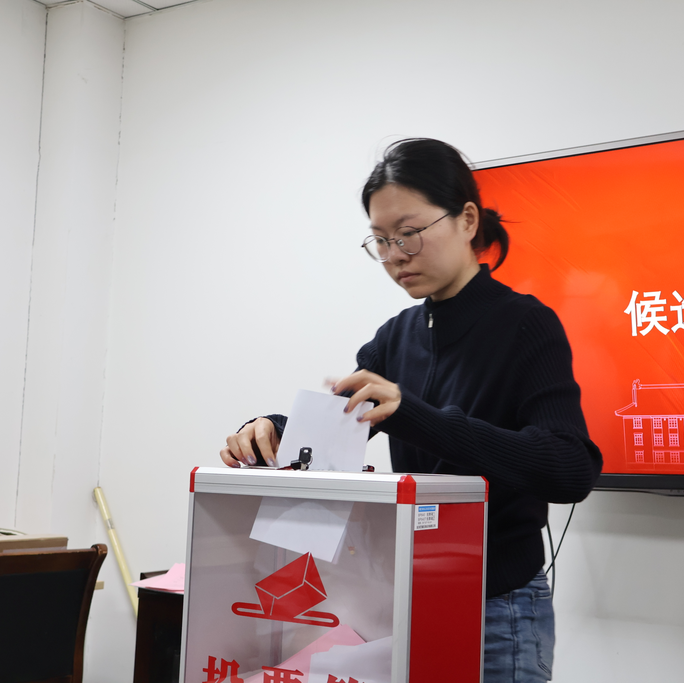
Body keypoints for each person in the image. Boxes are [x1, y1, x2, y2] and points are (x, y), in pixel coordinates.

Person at [221, 138, 603, 682]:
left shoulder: (525, 325)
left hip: (496, 610)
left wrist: (415, 415)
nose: (395, 255)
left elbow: (571, 468)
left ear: (467, 220)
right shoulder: (395, 337)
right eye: (380, 240)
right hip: (404, 597)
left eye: (409, 233)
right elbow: (334, 426)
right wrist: (270, 430)